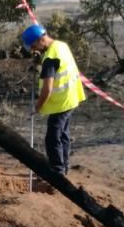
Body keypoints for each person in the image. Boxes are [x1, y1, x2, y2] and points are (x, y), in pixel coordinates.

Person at [21, 24, 86, 176]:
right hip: (71, 98)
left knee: (53, 138)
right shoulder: (60, 45)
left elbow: (47, 89)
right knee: (63, 134)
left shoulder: (49, 59)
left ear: (41, 39)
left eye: (33, 46)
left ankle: (57, 172)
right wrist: (40, 59)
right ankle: (65, 167)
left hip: (61, 103)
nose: (33, 50)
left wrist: (37, 107)